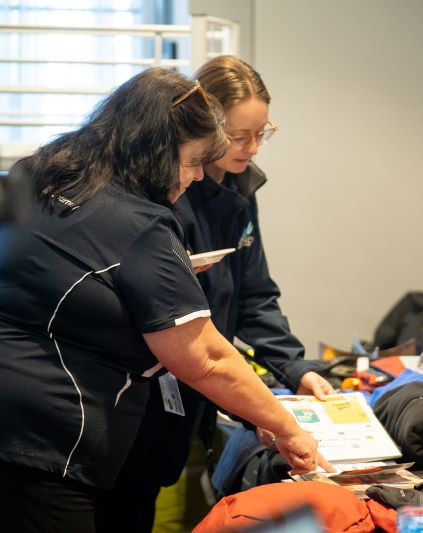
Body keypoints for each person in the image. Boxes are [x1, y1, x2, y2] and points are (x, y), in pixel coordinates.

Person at [0, 67, 326, 533]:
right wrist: (288, 428)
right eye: (193, 161)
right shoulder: (140, 222)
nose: (195, 177)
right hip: (50, 436)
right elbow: (206, 357)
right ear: (153, 148)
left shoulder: (40, 172)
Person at [94, 56, 336, 533]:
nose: (252, 147)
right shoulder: (166, 190)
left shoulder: (243, 189)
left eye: (262, 133)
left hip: (204, 384)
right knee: (138, 498)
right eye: (238, 136)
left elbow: (255, 295)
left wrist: (296, 367)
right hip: (153, 385)